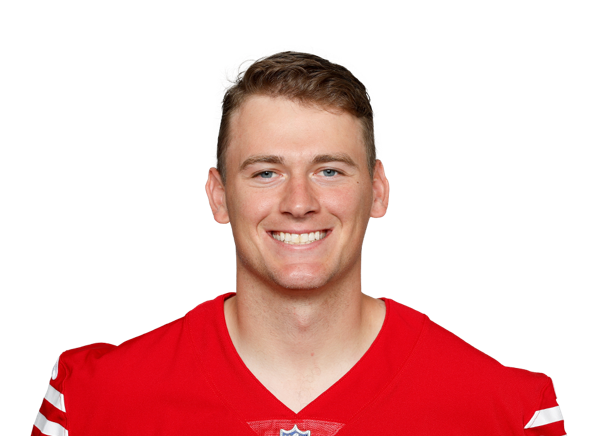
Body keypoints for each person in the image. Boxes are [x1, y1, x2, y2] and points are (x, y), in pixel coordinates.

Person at [31, 50, 566, 435]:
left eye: (329, 170)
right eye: (266, 172)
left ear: (378, 190)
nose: (299, 202)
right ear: (218, 196)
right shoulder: (89, 403)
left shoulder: (511, 413)